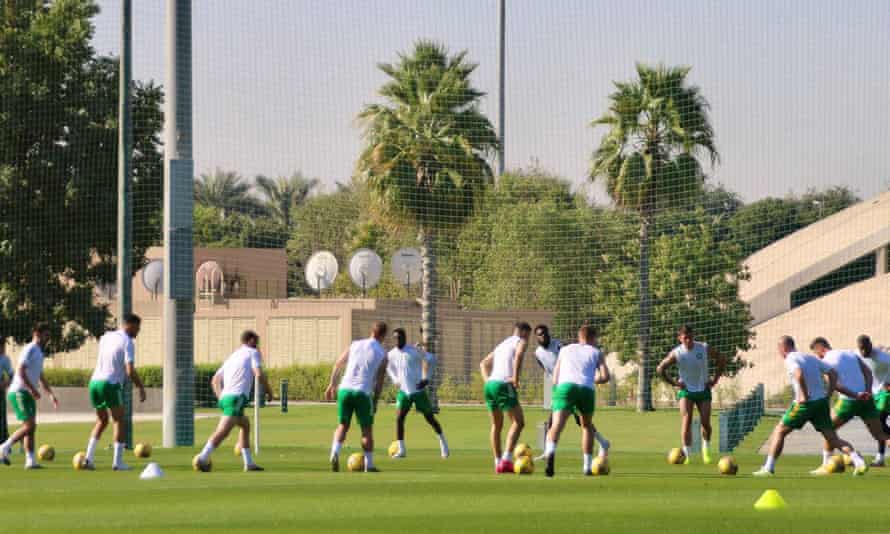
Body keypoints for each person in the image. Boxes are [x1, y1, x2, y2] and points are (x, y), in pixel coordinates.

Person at [753, 336, 867, 477]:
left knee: (779, 430)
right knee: (832, 437)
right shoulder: (810, 358)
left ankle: (768, 468)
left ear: (784, 348)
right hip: (821, 403)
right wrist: (829, 393)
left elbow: (799, 374)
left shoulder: (791, 358)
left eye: (779, 350)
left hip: (805, 404)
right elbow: (833, 373)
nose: (779, 353)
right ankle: (858, 461)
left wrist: (804, 395)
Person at [194, 330, 273, 472]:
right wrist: (268, 390)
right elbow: (258, 373)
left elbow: (215, 380)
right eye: (256, 342)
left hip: (226, 398)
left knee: (245, 424)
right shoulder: (252, 352)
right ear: (250, 341)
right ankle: (203, 457)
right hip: (237, 398)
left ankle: (248, 463)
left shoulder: (233, 355)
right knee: (223, 431)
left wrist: (220, 398)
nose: (258, 346)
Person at [810, 337, 890, 474]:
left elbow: (834, 383)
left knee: (827, 429)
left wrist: (854, 395)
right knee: (881, 434)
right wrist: (868, 391)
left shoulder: (826, 361)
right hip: (867, 400)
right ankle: (855, 460)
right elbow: (867, 372)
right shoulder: (850, 353)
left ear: (820, 349)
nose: (817, 357)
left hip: (848, 401)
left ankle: (829, 464)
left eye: (816, 354)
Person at [78, 314, 146, 471]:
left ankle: (88, 458)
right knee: (119, 420)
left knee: (102, 421)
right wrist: (141, 387)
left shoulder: (106, 337)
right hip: (110, 384)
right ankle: (118, 462)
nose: (138, 332)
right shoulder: (127, 342)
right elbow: (129, 370)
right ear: (129, 325)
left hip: (94, 382)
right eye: (137, 328)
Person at [541, 326, 611, 477]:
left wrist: (556, 393)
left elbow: (555, 378)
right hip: (586, 389)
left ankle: (550, 452)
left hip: (565, 387)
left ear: (579, 337)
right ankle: (586, 467)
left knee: (557, 425)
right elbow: (605, 376)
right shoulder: (596, 352)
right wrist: (591, 379)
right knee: (586, 427)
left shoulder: (565, 349)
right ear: (593, 338)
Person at [325, 322, 389, 473]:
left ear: (371, 331)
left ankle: (334, 452)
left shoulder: (355, 344)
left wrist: (331, 384)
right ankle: (370, 465)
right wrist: (375, 401)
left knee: (342, 426)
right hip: (362, 392)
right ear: (383, 336)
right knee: (366, 430)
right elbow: (379, 382)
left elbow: (338, 364)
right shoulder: (383, 354)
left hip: (344, 389)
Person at [656, 325, 724, 465]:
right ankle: (686, 455)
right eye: (685, 338)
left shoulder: (703, 348)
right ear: (680, 338)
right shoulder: (677, 353)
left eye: (690, 337)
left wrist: (715, 379)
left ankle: (706, 449)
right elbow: (660, 369)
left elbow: (721, 359)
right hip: (686, 391)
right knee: (686, 420)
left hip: (703, 389)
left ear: (694, 336)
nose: (688, 340)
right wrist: (675, 383)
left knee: (705, 422)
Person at [0, 323, 59, 469]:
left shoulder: (39, 352)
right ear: (37, 334)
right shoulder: (30, 348)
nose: (48, 338)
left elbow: (40, 375)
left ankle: (30, 461)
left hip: (27, 392)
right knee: (29, 425)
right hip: (19, 391)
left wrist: (50, 394)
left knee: (31, 427)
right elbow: (20, 370)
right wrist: (32, 389)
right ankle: (4, 447)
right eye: (46, 335)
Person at [386, 328, 448, 458]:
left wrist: (426, 379)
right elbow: (388, 366)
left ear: (404, 338)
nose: (397, 340)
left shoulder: (414, 351)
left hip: (418, 391)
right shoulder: (391, 354)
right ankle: (402, 450)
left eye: (399, 337)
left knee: (430, 419)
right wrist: (395, 379)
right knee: (399, 418)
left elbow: (432, 359)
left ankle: (443, 444)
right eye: (395, 338)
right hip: (403, 392)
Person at [480, 322, 530, 474]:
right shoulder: (520, 341)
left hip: (490, 385)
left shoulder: (502, 344)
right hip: (503, 384)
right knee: (518, 422)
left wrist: (487, 381)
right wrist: (515, 377)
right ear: (523, 332)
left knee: (497, 425)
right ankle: (507, 460)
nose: (528, 339)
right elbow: (520, 355)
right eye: (528, 335)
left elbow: (483, 363)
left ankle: (497, 462)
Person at [857, 335, 890, 466]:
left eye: (866, 349)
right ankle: (880, 458)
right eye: (861, 349)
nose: (863, 352)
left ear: (870, 345)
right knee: (878, 425)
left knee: (878, 422)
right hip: (874, 394)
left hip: (886, 393)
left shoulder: (884, 358)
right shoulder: (857, 356)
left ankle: (880, 457)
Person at [0, 338, 13, 444]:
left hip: (0, 392)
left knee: (2, 416)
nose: (3, 348)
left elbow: (12, 376)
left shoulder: (5, 359)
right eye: (2, 345)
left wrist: (5, 384)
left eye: (3, 345)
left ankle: (3, 441)